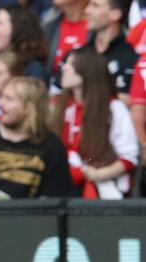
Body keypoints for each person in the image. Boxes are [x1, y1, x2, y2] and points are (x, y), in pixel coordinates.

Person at [0, 77, 73, 200]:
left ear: (28, 108)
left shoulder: (52, 146)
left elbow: (51, 198)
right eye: (1, 97)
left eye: (9, 99)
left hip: (27, 216)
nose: (1, 103)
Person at [52, 47, 139, 198]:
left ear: (87, 71)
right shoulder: (61, 106)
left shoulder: (113, 108)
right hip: (64, 184)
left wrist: (96, 174)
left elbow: (129, 156)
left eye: (71, 64)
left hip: (101, 187)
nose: (64, 67)